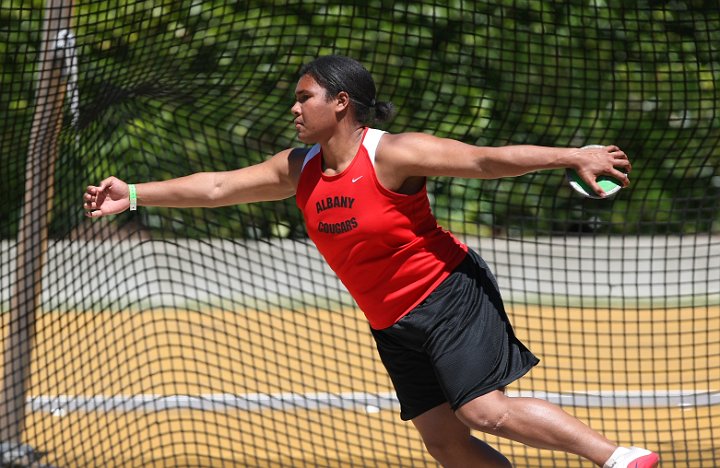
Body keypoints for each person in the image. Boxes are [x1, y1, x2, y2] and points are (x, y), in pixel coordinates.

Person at [84, 55, 659, 468]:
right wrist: (133, 194)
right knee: (445, 442)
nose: (294, 107)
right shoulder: (299, 165)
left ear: (341, 102)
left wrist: (571, 155)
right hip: (389, 320)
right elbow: (215, 188)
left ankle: (619, 459)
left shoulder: (392, 153)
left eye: (304, 96)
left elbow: (486, 159)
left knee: (483, 412)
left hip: (445, 294)